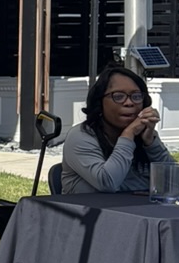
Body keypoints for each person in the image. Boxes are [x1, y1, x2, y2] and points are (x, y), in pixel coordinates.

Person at [61, 62, 171, 193]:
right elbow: (107, 183)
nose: (129, 103)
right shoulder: (80, 136)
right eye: (118, 96)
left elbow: (177, 183)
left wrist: (151, 143)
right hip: (89, 206)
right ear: (99, 102)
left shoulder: (144, 134)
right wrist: (128, 135)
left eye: (136, 96)